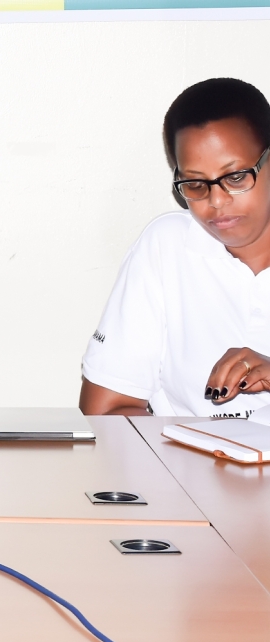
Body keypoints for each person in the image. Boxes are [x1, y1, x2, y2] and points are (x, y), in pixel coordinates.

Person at [81, 77, 270, 417]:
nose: (216, 200)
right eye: (195, 184)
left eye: (237, 177)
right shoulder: (167, 246)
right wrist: (193, 455)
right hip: (188, 467)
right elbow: (106, 412)